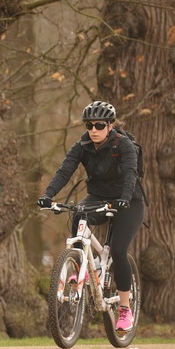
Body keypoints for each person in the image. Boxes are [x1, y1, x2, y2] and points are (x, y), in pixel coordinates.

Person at [37, 100, 145, 333]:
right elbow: (65, 171)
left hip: (129, 201)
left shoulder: (123, 145)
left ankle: (124, 309)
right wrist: (48, 195)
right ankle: (83, 264)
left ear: (110, 126)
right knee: (78, 214)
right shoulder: (82, 145)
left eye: (99, 125)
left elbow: (130, 174)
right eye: (89, 125)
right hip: (98, 196)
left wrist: (125, 198)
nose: (94, 130)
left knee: (118, 251)